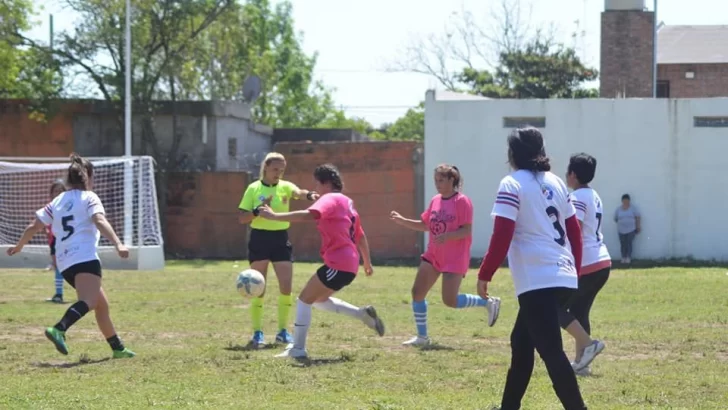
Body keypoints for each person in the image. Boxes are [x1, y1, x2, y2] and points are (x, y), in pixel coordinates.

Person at [477, 127, 590, 410]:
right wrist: (573, 269)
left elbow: (502, 234)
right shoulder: (556, 182)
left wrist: (484, 274)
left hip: (538, 279)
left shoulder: (511, 183)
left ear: (512, 154)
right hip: (563, 275)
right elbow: (574, 231)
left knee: (551, 352)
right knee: (522, 342)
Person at [6, 153, 135, 359]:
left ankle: (117, 347)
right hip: (85, 257)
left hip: (65, 263)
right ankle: (59, 328)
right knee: (90, 301)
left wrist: (19, 246)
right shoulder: (89, 197)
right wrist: (118, 243)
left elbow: (34, 226)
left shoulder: (57, 201)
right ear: (88, 178)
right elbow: (99, 220)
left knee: (101, 304)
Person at [257, 164, 385, 360]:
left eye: (317, 184)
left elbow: (310, 214)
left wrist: (275, 216)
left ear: (325, 183)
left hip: (338, 262)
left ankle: (298, 349)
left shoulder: (330, 198)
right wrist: (367, 262)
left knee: (303, 300)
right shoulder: (346, 201)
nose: (315, 188)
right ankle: (362, 314)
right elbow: (359, 235)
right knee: (318, 300)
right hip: (349, 264)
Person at [390, 164, 501, 347]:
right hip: (434, 254)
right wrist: (402, 221)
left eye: (441, 180)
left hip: (454, 257)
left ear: (452, 180)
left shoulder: (462, 201)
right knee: (417, 292)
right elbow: (426, 225)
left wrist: (448, 236)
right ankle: (422, 338)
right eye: (436, 180)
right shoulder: (435, 200)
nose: (438, 184)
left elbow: (466, 230)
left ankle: (487, 303)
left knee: (450, 300)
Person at [238, 152, 319, 348]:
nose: (278, 173)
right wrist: (257, 211)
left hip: (281, 240)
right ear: (265, 167)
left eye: (282, 170)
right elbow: (242, 218)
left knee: (286, 287)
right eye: (275, 169)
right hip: (259, 239)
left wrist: (309, 195)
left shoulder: (285, 186)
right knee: (259, 288)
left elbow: (298, 192)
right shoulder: (253, 188)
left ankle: (283, 332)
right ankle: (257, 333)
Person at [559, 153, 610, 376]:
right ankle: (582, 363)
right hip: (602, 261)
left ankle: (588, 345)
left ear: (573, 174)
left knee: (555, 309)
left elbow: (575, 230)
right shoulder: (594, 194)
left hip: (587, 263)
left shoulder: (577, 197)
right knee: (580, 311)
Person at [46, 179, 66, 304]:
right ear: (51, 193)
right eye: (56, 191)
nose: (58, 193)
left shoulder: (69, 205)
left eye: (60, 191)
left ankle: (85, 293)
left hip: (66, 240)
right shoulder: (51, 206)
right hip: (54, 240)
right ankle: (59, 294)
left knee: (70, 267)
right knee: (57, 266)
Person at [614, 193, 640, 264]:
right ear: (622, 201)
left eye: (627, 200)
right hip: (621, 230)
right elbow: (615, 218)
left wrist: (638, 227)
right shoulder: (618, 209)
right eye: (624, 200)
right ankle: (623, 257)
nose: (625, 202)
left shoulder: (633, 208)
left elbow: (637, 217)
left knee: (629, 243)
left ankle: (628, 257)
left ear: (629, 201)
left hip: (631, 230)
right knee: (623, 244)